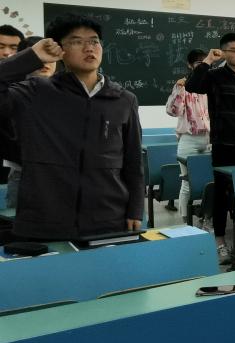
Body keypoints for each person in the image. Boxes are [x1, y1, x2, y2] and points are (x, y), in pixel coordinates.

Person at [0, 15, 143, 240]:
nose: (89, 48)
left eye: (94, 41)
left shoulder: (124, 99)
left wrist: (135, 208)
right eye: (77, 41)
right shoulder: (36, 92)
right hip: (45, 220)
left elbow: (133, 160)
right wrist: (32, 57)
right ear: (60, 50)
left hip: (107, 218)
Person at [186, 32, 235, 265]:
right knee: (222, 195)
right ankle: (220, 242)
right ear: (224, 52)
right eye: (233, 50)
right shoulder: (215, 76)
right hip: (224, 144)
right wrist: (208, 61)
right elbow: (192, 86)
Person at [3, 36, 57, 210]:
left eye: (51, 56)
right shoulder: (10, 94)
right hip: (23, 174)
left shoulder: (69, 93)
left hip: (64, 177)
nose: (45, 62)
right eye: (38, 56)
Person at [166, 49, 211, 222]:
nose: (202, 65)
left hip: (209, 139)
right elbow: (173, 111)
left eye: (204, 62)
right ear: (190, 65)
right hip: (189, 140)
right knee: (187, 183)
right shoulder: (184, 85)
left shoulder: (211, 84)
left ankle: (206, 219)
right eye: (198, 62)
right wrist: (179, 89)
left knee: (209, 183)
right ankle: (185, 221)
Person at [0, 24, 26, 183]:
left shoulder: (30, 84)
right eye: (1, 47)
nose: (6, 52)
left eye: (14, 48)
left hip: (18, 167)